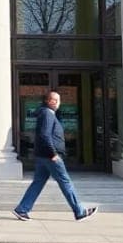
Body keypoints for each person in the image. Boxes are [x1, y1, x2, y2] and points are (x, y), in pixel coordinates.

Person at [12, 91, 96, 222]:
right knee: (65, 182)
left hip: (43, 156)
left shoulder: (46, 114)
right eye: (58, 100)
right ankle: (79, 211)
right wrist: (53, 153)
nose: (59, 103)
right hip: (50, 157)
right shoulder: (47, 114)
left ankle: (22, 209)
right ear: (51, 101)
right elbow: (45, 135)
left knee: (38, 183)